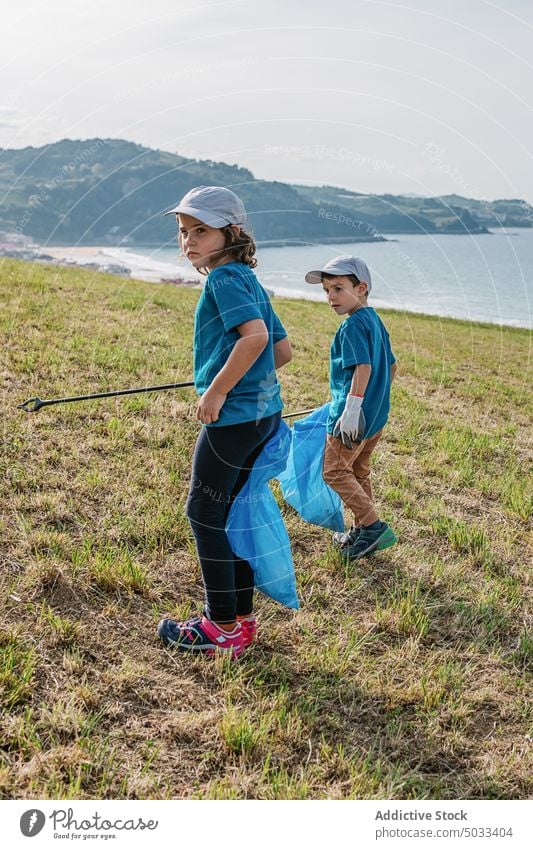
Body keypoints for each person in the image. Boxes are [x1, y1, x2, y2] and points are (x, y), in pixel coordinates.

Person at [158, 186, 292, 656]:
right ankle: (240, 620)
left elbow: (254, 339)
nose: (189, 241)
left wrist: (218, 389)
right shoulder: (249, 279)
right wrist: (243, 380)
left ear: (231, 233)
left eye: (201, 231)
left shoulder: (222, 280)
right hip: (260, 417)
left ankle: (221, 627)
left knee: (204, 511)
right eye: (183, 232)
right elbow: (282, 350)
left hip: (233, 421)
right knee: (228, 511)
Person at [305, 254, 397, 561]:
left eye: (339, 288)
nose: (331, 297)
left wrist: (352, 408)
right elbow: (392, 367)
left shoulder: (353, 326)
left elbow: (363, 368)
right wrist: (373, 401)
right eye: (327, 290)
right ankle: (361, 532)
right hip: (375, 418)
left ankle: (372, 527)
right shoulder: (375, 321)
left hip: (352, 420)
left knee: (333, 471)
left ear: (362, 288)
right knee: (358, 471)